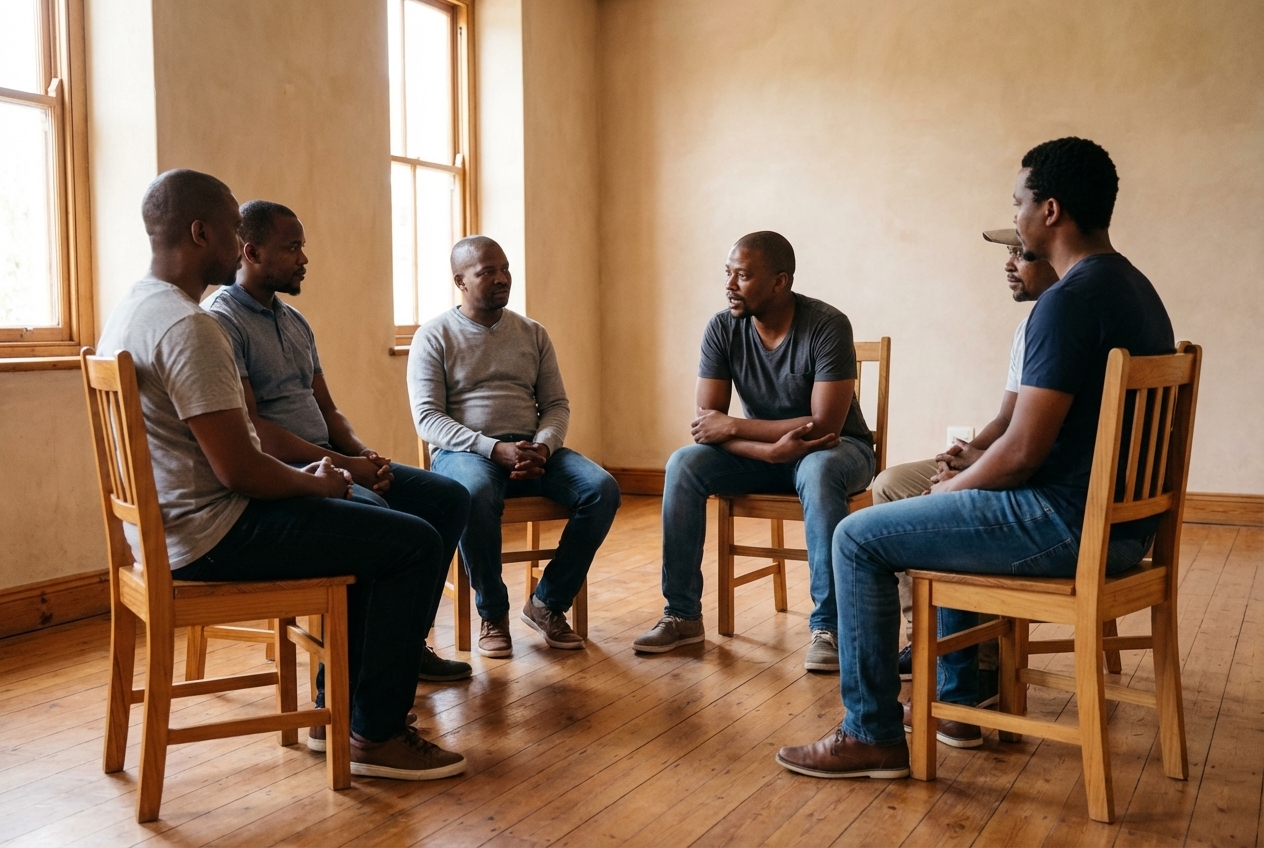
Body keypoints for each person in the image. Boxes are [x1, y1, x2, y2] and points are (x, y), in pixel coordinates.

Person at [776, 137, 1175, 779]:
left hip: (1067, 525)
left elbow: (1018, 455)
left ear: (1050, 211)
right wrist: (969, 476)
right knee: (961, 503)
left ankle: (870, 733)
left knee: (855, 538)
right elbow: (1026, 443)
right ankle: (958, 701)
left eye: (1017, 202)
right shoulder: (1134, 288)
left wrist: (950, 491)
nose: (1013, 216)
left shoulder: (1067, 303)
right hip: (1123, 532)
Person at [97, 169, 466, 781]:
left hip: (175, 529)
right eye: (232, 228)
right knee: (409, 541)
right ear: (201, 231)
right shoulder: (192, 327)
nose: (239, 239)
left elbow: (244, 454)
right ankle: (373, 733)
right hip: (211, 535)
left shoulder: (133, 309)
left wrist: (338, 468)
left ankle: (345, 707)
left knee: (385, 522)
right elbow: (242, 469)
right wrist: (322, 481)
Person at [203, 200, 472, 684]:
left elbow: (327, 409)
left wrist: (361, 453)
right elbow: (257, 433)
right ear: (252, 252)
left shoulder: (295, 321)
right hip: (288, 476)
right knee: (379, 521)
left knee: (448, 497)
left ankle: (405, 644)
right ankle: (345, 691)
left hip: (330, 461)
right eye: (293, 248)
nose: (304, 258)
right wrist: (344, 465)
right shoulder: (223, 322)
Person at [633, 231, 875, 672]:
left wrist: (737, 427)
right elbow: (707, 425)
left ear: (780, 281)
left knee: (819, 471)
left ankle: (829, 628)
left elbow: (823, 425)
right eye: (728, 273)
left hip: (839, 450)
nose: (729, 285)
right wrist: (767, 452)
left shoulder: (826, 325)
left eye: (742, 276)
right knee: (684, 464)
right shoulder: (723, 327)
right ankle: (682, 615)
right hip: (766, 453)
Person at [879, 229, 1061, 736]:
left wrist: (961, 481)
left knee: (928, 517)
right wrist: (967, 455)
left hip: (1047, 498)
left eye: (1019, 252)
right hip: (1039, 479)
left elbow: (1026, 453)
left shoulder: (1061, 317)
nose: (1008, 263)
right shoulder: (1033, 326)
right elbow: (1010, 418)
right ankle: (928, 643)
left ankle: (961, 679)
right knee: (892, 483)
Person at [408, 235, 621, 659]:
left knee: (603, 489)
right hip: (467, 454)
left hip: (533, 450)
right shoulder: (433, 336)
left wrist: (543, 446)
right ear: (460, 281)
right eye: (488, 271)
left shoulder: (532, 333)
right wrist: (491, 449)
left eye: (505, 269)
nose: (502, 278)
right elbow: (428, 419)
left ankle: (547, 604)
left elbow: (556, 404)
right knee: (473, 493)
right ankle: (493, 612)